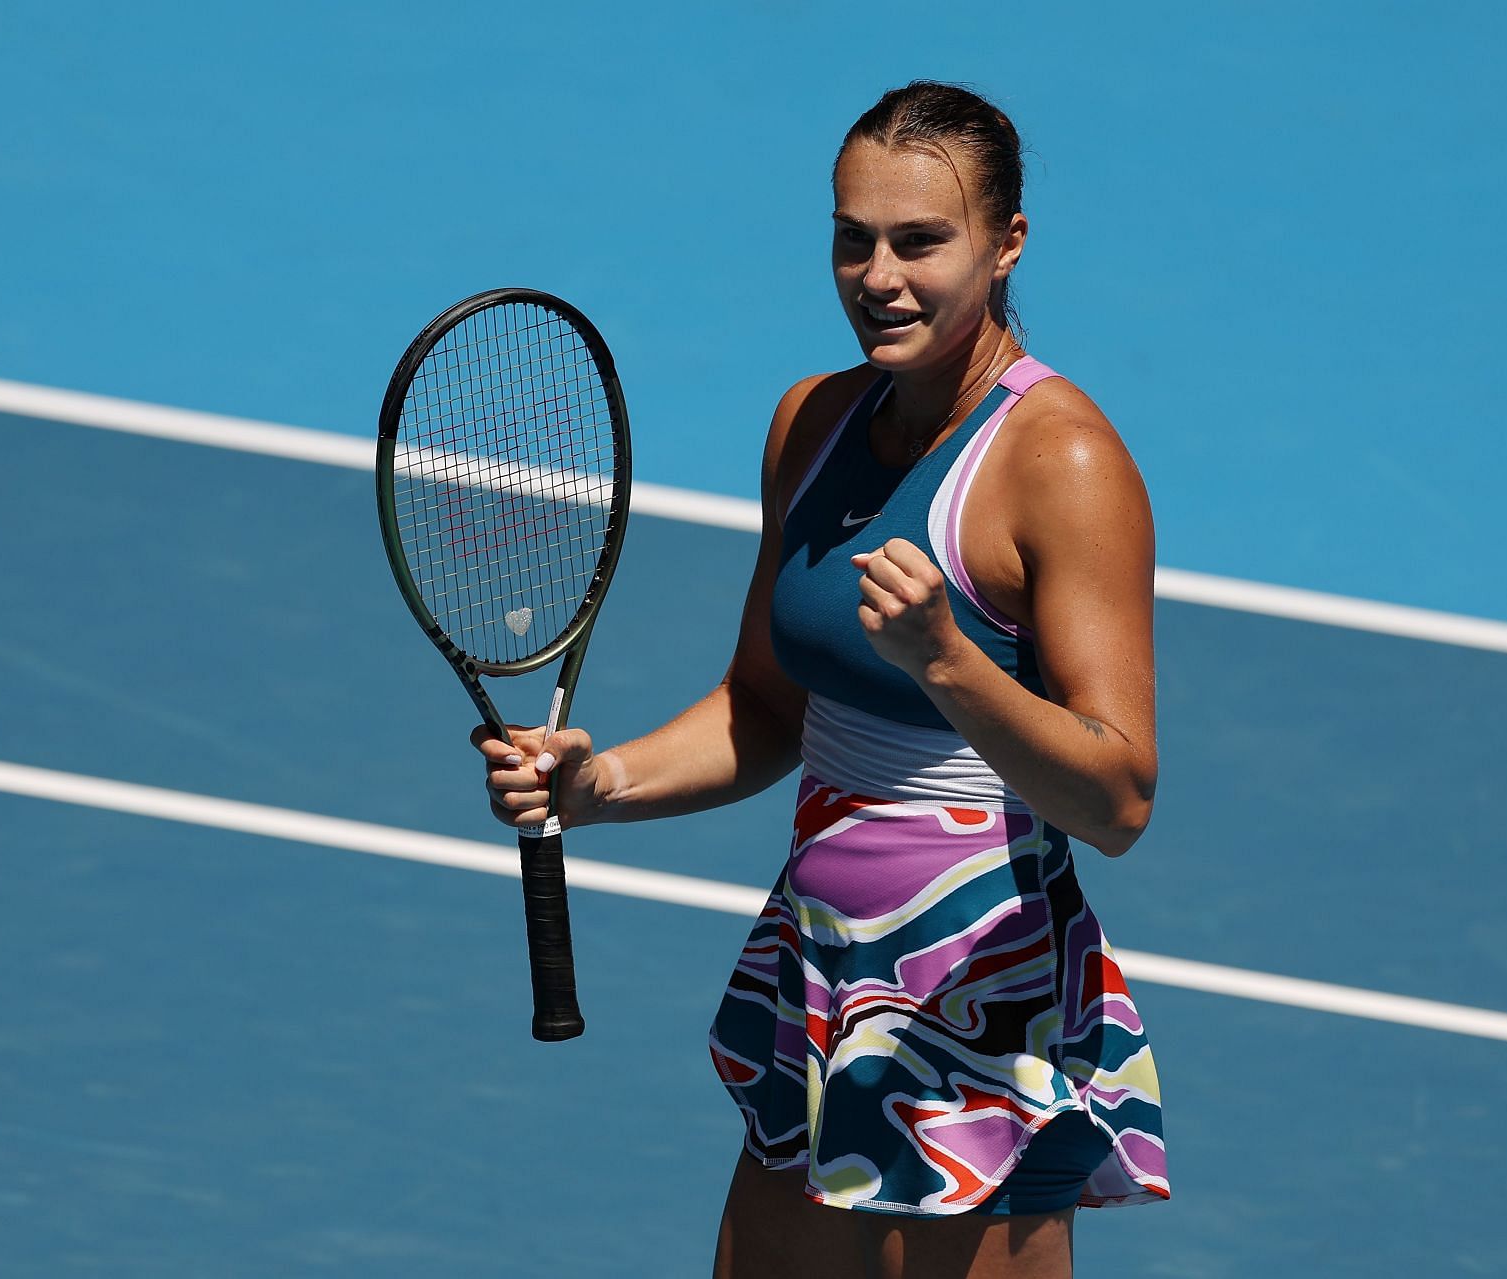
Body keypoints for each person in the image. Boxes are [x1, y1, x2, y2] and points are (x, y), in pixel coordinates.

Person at [475, 80, 1168, 1279]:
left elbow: (1117, 800)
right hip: (827, 961)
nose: (880, 277)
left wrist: (951, 661)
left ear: (1007, 243)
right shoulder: (813, 421)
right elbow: (768, 705)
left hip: (975, 990)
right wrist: (604, 782)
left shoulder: (1061, 460)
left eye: (921, 242)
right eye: (854, 240)